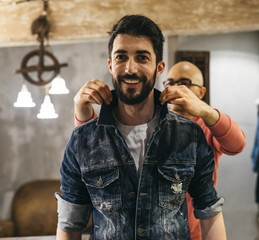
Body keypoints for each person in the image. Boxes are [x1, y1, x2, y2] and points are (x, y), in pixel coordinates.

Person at [56, 15, 226, 240]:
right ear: (110, 64)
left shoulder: (189, 135)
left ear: (159, 67)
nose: (130, 68)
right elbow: (70, 223)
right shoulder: (82, 140)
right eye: (121, 57)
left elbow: (210, 211)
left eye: (142, 58)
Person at [73, 60, 246, 240]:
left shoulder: (205, 128)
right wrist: (81, 110)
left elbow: (237, 145)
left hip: (196, 232)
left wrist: (205, 111)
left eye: (185, 83)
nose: (177, 88)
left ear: (201, 92)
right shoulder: (151, 126)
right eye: (170, 83)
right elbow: (93, 149)